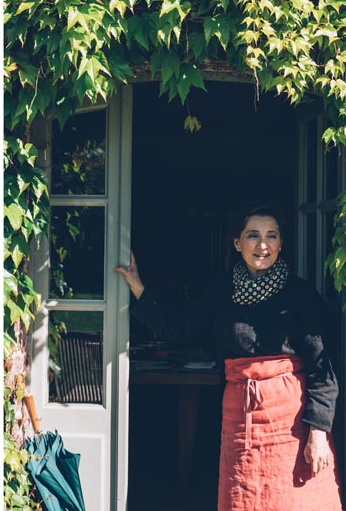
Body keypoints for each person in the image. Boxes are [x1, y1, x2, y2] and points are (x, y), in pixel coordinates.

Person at [117, 206, 339, 510]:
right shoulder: (220, 291)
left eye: (271, 236)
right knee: (243, 496)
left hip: (292, 420)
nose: (263, 245)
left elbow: (321, 369)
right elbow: (180, 329)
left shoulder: (300, 295)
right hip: (239, 416)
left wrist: (318, 432)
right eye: (253, 236)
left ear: (280, 243)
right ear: (237, 243)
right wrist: (137, 286)